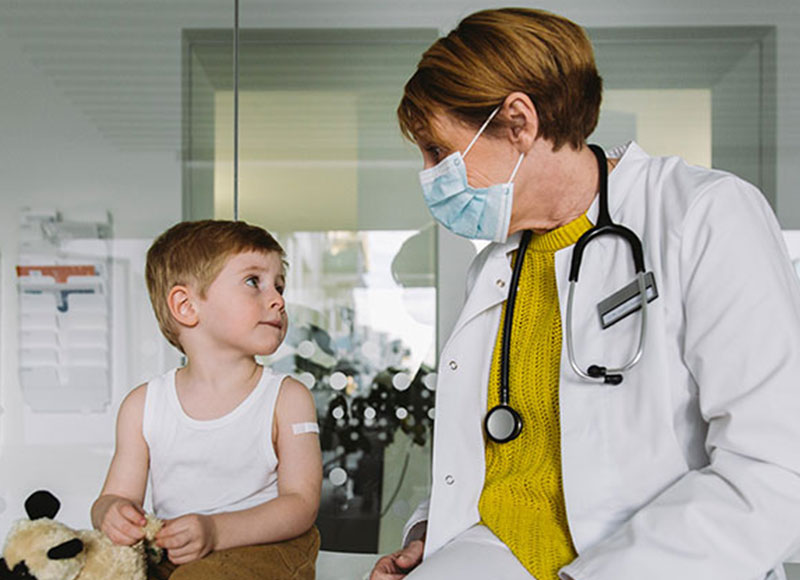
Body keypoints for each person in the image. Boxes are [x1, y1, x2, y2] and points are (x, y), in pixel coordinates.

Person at [370, 7, 800, 580]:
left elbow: (772, 468)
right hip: (497, 554)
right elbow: (499, 453)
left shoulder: (703, 214)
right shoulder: (499, 267)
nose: (428, 176)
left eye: (439, 153)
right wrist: (432, 531)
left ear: (519, 122)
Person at [91, 220, 322, 580]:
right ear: (185, 306)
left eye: (279, 285)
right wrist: (113, 513)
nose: (278, 299)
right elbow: (113, 497)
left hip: (269, 548)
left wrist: (215, 532)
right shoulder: (142, 406)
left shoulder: (287, 398)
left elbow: (302, 505)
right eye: (253, 282)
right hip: (177, 552)